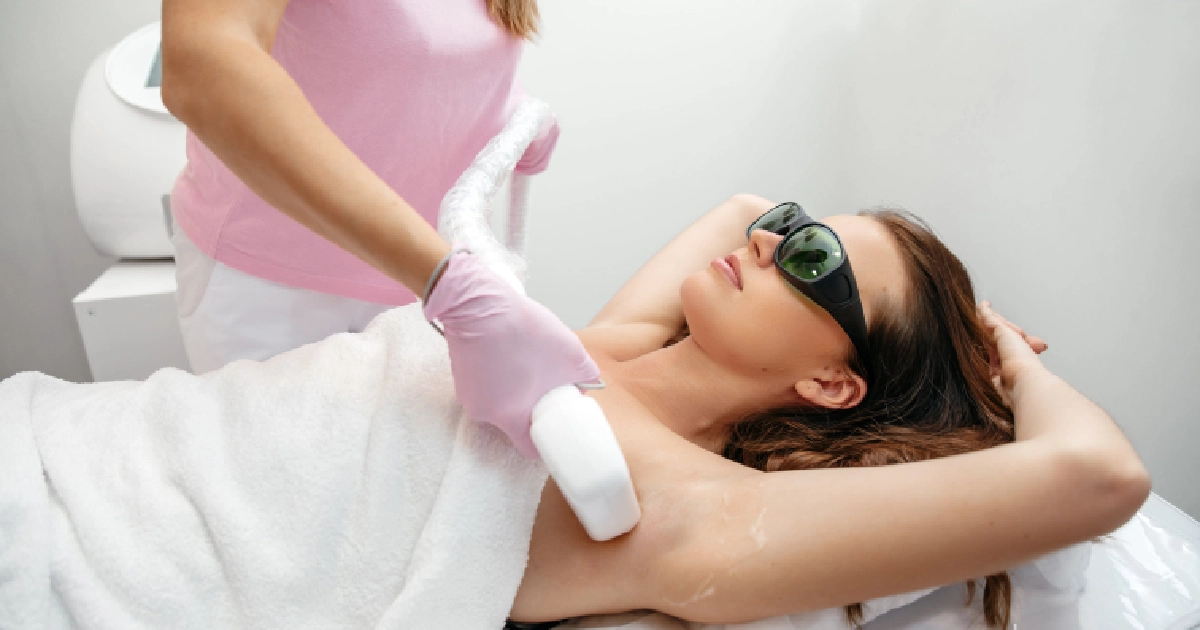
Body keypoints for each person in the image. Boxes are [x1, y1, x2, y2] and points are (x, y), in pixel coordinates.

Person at [505, 194, 1148, 627]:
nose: (762, 239)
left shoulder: (683, 504)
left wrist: (1015, 361)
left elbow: (1100, 475)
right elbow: (745, 207)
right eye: (793, 227)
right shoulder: (614, 341)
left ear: (833, 384)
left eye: (811, 259)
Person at [160, 0, 597, 451]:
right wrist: (446, 281)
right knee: (288, 478)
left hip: (418, 283)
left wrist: (509, 110)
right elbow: (203, 67)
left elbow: (418, 48)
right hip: (277, 281)